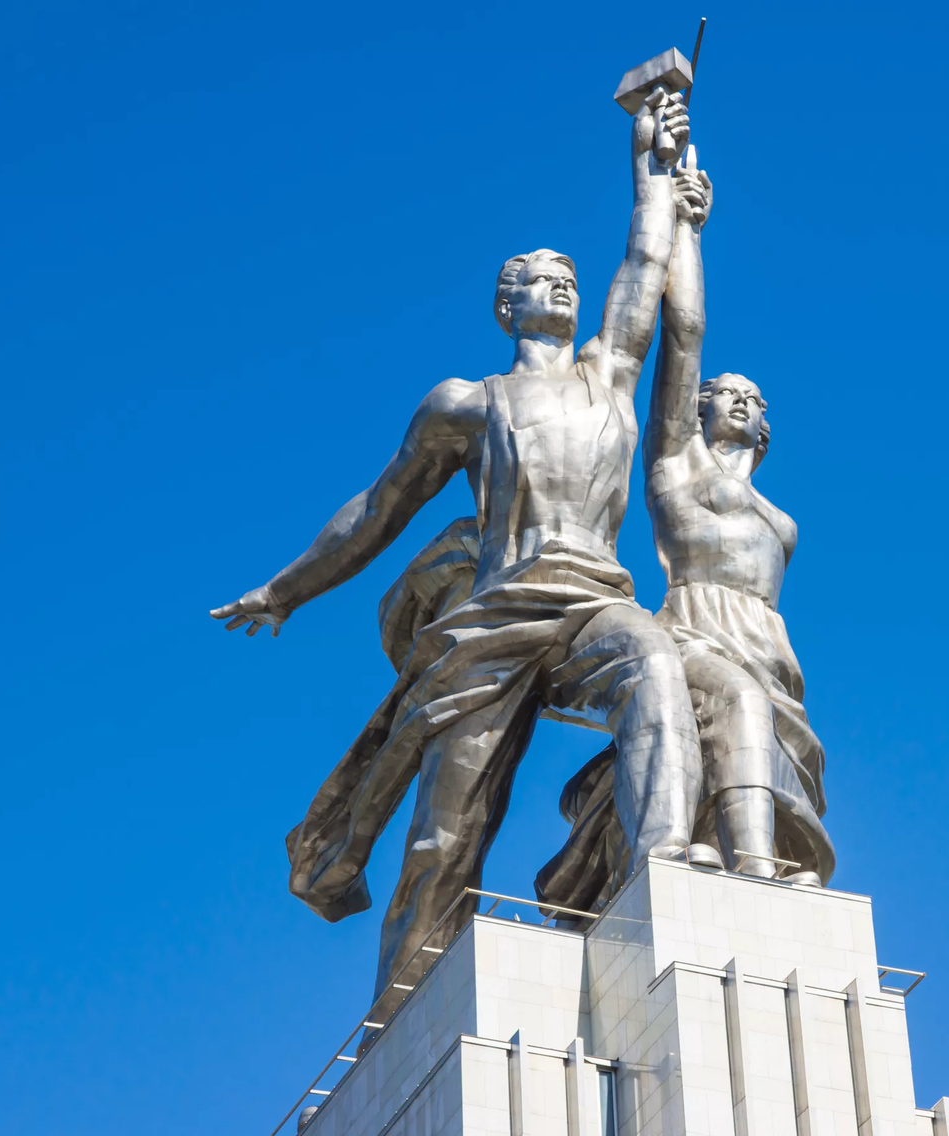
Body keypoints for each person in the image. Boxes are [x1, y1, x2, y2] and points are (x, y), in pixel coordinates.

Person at [210, 90, 708, 1019]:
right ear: (504, 303)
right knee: (449, 829)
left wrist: (655, 167)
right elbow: (378, 510)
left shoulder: (612, 376)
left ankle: (664, 866)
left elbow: (645, 261)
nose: (560, 283)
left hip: (592, 600)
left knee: (653, 662)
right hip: (495, 616)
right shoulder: (465, 404)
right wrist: (286, 588)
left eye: (568, 275)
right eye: (537, 276)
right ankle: (399, 1017)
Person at [537, 153, 833, 918]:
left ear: (766, 424)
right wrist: (691, 229)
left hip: (768, 646)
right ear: (697, 412)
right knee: (731, 700)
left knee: (748, 722)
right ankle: (757, 867)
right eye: (722, 395)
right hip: (696, 629)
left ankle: (736, 858)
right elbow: (687, 330)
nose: (735, 401)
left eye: (750, 398)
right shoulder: (676, 468)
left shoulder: (783, 523)